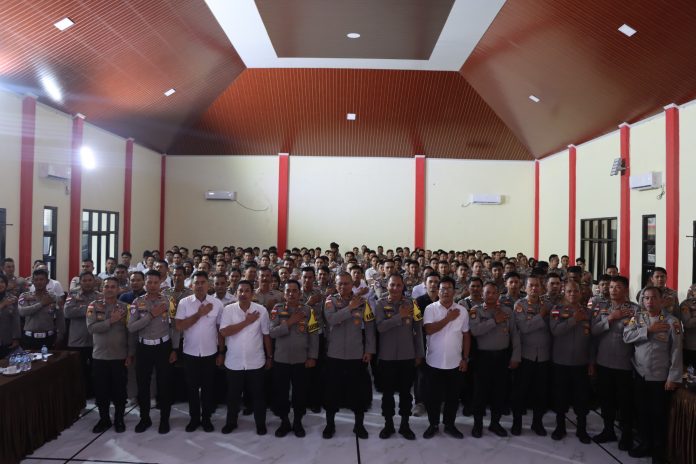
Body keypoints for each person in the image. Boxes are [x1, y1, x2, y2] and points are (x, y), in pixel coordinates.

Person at [624, 286, 683, 464]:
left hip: (660, 378)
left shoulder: (672, 322)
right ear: (642, 301)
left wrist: (673, 377)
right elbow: (627, 336)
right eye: (646, 298)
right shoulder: (638, 318)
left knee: (659, 416)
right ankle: (645, 444)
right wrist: (648, 330)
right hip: (640, 375)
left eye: (654, 298)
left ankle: (659, 452)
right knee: (642, 413)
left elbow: (676, 351)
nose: (650, 301)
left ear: (662, 300)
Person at [322, 272, 376, 439]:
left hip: (356, 354)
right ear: (335, 284)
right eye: (340, 283)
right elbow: (331, 319)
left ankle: (359, 425)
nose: (343, 286)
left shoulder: (363, 302)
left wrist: (369, 350)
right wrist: (350, 307)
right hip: (335, 354)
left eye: (346, 283)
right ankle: (330, 424)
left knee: (358, 392)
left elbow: (370, 327)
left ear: (352, 284)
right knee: (332, 391)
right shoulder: (330, 301)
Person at [590, 275, 639, 449]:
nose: (613, 290)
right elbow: (593, 330)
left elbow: (638, 333)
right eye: (611, 287)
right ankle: (608, 430)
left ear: (625, 290)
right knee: (606, 400)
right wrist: (610, 317)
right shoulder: (601, 307)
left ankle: (626, 434)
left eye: (617, 287)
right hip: (604, 362)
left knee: (625, 402)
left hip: (624, 363)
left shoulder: (635, 310)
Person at [374, 273, 424, 440]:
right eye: (392, 285)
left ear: (403, 286)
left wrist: (419, 353)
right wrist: (399, 317)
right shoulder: (380, 304)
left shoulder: (413, 304)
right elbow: (380, 327)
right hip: (387, 357)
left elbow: (418, 330)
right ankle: (388, 424)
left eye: (398, 285)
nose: (395, 288)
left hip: (407, 356)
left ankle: (405, 424)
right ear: (387, 286)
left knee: (405, 393)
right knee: (387, 394)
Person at [219, 280, 272, 435]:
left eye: (247, 291)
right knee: (233, 396)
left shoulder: (261, 310)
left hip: (256, 361)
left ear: (252, 293)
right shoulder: (228, 310)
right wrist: (246, 322)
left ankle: (260, 424)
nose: (243, 294)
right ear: (236, 293)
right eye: (240, 291)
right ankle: (231, 423)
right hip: (234, 361)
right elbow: (224, 332)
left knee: (258, 396)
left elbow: (266, 335)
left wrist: (269, 356)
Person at [127, 270, 176, 434]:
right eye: (149, 282)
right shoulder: (137, 302)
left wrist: (174, 349)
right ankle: (144, 419)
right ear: (144, 283)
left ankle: (164, 420)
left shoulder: (168, 301)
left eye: (155, 282)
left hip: (163, 347)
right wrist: (151, 315)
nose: (152, 285)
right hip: (144, 348)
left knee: (165, 385)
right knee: (143, 385)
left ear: (160, 283)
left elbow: (175, 327)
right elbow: (131, 327)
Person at [469, 281, 520, 438]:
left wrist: (515, 356)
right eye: (487, 292)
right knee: (480, 393)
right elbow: (475, 331)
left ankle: (495, 423)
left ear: (498, 294)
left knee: (499, 392)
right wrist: (494, 321)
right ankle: (477, 424)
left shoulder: (507, 311)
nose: (490, 295)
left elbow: (514, 335)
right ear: (482, 294)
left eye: (493, 293)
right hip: (482, 358)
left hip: (502, 357)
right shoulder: (476, 310)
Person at [174, 271, 224, 433]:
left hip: (210, 353)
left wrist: (221, 352)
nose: (200, 285)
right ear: (192, 285)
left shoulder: (217, 304)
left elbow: (220, 330)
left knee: (209, 388)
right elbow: (179, 326)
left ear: (208, 285)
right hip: (190, 353)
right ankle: (194, 418)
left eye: (203, 282)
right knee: (192, 388)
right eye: (197, 283)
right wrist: (199, 314)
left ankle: (206, 419)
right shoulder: (184, 303)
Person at [422, 276, 471, 439]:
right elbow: (429, 330)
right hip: (433, 362)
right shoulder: (430, 308)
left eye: (449, 288)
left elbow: (466, 335)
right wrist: (448, 318)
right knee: (433, 398)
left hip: (455, 363)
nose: (445, 292)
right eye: (442, 289)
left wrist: (465, 358)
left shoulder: (462, 311)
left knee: (453, 398)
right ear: (438, 291)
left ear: (454, 291)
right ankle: (433, 424)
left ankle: (450, 425)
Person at [269, 280, 319, 437]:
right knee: (281, 393)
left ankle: (298, 421)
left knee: (300, 393)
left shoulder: (308, 310)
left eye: (294, 291)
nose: (291, 294)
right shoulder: (277, 309)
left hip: (301, 360)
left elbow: (314, 335)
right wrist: (290, 322)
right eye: (288, 291)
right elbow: (272, 332)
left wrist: (312, 356)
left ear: (300, 293)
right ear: (284, 294)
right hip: (281, 359)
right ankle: (284, 421)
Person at [86, 277, 135, 433]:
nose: (109, 289)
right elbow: (91, 328)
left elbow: (130, 332)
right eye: (107, 286)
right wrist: (111, 320)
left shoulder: (126, 308)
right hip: (99, 356)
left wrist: (130, 353)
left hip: (119, 356)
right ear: (102, 288)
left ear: (118, 289)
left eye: (113, 287)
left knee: (119, 391)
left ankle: (119, 419)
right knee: (101, 391)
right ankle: (104, 419)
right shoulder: (93, 306)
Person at [550, 281, 594, 444]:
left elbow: (592, 339)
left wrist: (591, 361)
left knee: (582, 398)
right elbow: (555, 330)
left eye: (575, 291)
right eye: (569, 291)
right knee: (560, 397)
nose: (572, 294)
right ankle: (560, 427)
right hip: (561, 362)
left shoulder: (588, 312)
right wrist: (574, 320)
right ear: (564, 292)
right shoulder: (557, 310)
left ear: (580, 293)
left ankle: (582, 429)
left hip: (581, 363)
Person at [510, 275, 552, 436]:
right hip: (525, 355)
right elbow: (524, 328)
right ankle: (517, 423)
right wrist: (541, 315)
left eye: (537, 286)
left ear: (542, 288)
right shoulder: (520, 305)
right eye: (531, 285)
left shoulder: (548, 305)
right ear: (525, 288)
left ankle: (537, 423)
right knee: (520, 391)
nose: (534, 288)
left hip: (544, 356)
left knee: (540, 392)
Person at [64, 272, 101, 397]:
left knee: (96, 370)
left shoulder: (100, 296)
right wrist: (90, 308)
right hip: (77, 340)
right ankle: (79, 396)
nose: (87, 283)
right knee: (78, 371)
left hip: (96, 340)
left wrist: (80, 308)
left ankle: (94, 394)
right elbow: (67, 312)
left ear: (94, 281)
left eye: (90, 280)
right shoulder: (73, 295)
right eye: (84, 280)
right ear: (80, 282)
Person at [18, 268, 65, 349]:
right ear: (33, 281)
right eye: (36, 280)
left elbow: (60, 318)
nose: (39, 282)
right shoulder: (25, 296)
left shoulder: (53, 298)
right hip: (29, 338)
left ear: (47, 281)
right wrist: (41, 304)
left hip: (49, 338)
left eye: (41, 279)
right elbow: (22, 312)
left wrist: (60, 335)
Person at [0, 274, 21, 358]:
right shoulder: (6, 302)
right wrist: (2, 305)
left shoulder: (12, 298)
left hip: (7, 340)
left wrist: (16, 338)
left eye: (2, 282)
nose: (0, 284)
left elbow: (16, 320)